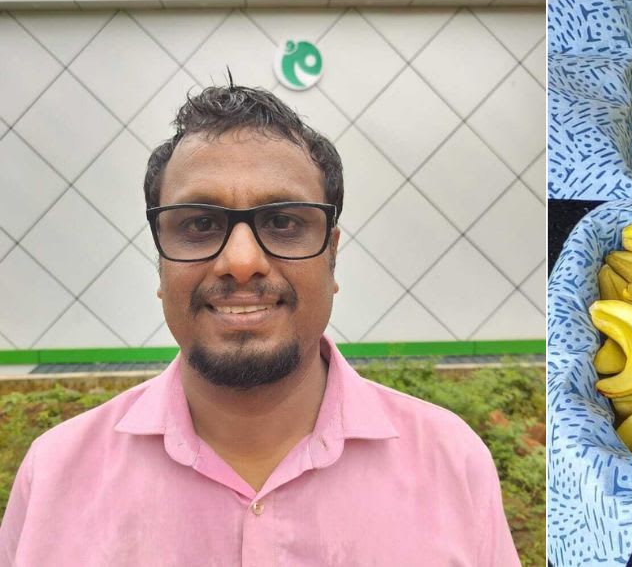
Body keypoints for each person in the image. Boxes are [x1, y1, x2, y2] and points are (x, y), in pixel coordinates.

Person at [0, 83, 521, 566]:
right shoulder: (54, 476)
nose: (242, 261)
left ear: (331, 258)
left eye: (284, 222)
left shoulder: (451, 462)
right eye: (200, 225)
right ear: (160, 262)